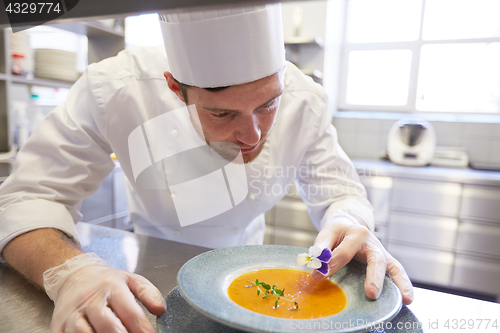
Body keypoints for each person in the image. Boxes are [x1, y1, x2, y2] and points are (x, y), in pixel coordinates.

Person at [0, 4, 414, 333]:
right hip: (149, 273)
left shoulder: (307, 99)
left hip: (248, 269)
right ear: (175, 89)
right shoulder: (113, 89)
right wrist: (71, 273)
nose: (252, 135)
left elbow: (340, 194)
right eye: (221, 112)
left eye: (268, 104)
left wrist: (350, 220)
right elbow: (25, 197)